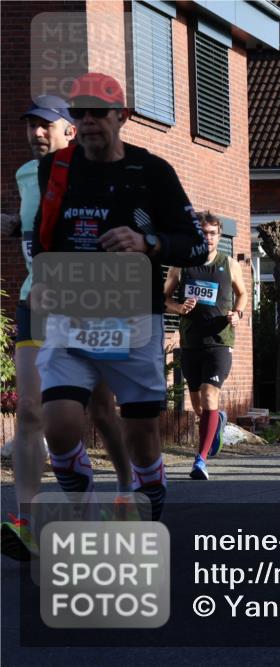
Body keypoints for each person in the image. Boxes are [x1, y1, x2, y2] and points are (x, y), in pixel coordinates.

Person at [30, 73, 208, 523]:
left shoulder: (152, 172)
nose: (89, 122)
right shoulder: (57, 167)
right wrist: (45, 276)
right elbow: (43, 234)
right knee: (59, 423)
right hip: (73, 316)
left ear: (122, 117)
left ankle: (146, 504)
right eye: (80, 113)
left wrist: (146, 242)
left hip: (133, 322)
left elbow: (197, 245)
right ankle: (86, 508)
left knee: (143, 436)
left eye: (99, 113)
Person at [0, 95, 132, 559]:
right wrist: (14, 224)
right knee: (32, 411)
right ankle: (28, 522)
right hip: (37, 302)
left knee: (100, 409)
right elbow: (37, 224)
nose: (35, 133)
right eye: (30, 125)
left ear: (70, 131)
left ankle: (126, 485)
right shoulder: (25, 175)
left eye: (45, 125)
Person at [163, 211, 247, 481]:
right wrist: (178, 306)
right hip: (191, 341)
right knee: (199, 406)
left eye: (213, 233)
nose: (208, 238)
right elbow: (161, 297)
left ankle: (200, 460)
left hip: (220, 341)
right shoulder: (181, 265)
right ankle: (217, 420)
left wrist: (238, 313)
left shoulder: (229, 263)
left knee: (211, 396)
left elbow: (243, 293)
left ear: (219, 237)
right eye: (203, 233)